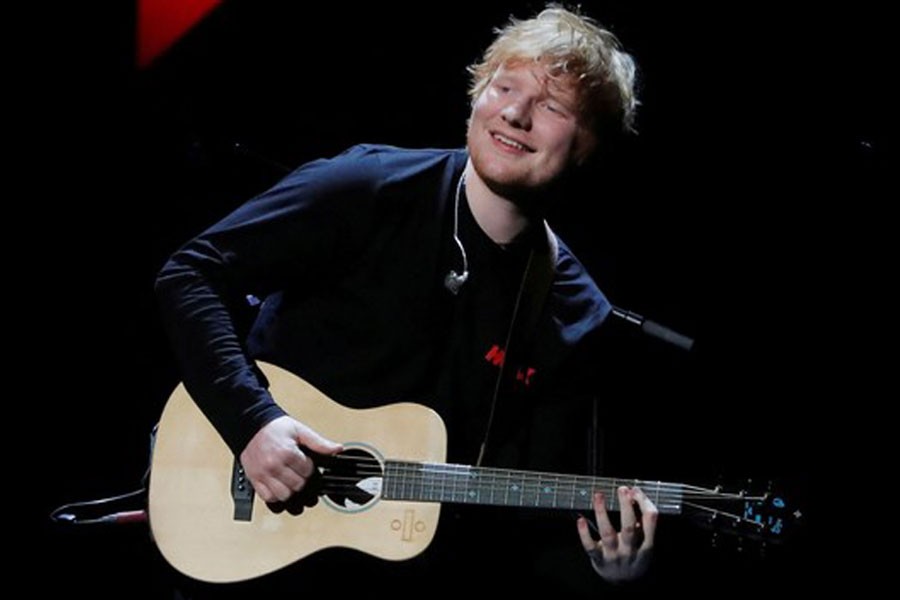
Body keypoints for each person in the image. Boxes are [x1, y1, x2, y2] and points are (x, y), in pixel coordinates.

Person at [155, 4, 656, 596]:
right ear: (477, 96)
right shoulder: (368, 186)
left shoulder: (572, 310)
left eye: (552, 107)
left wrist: (605, 571)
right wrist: (252, 422)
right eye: (505, 87)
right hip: (250, 538)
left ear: (587, 146)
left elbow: (519, 513)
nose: (516, 114)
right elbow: (189, 274)